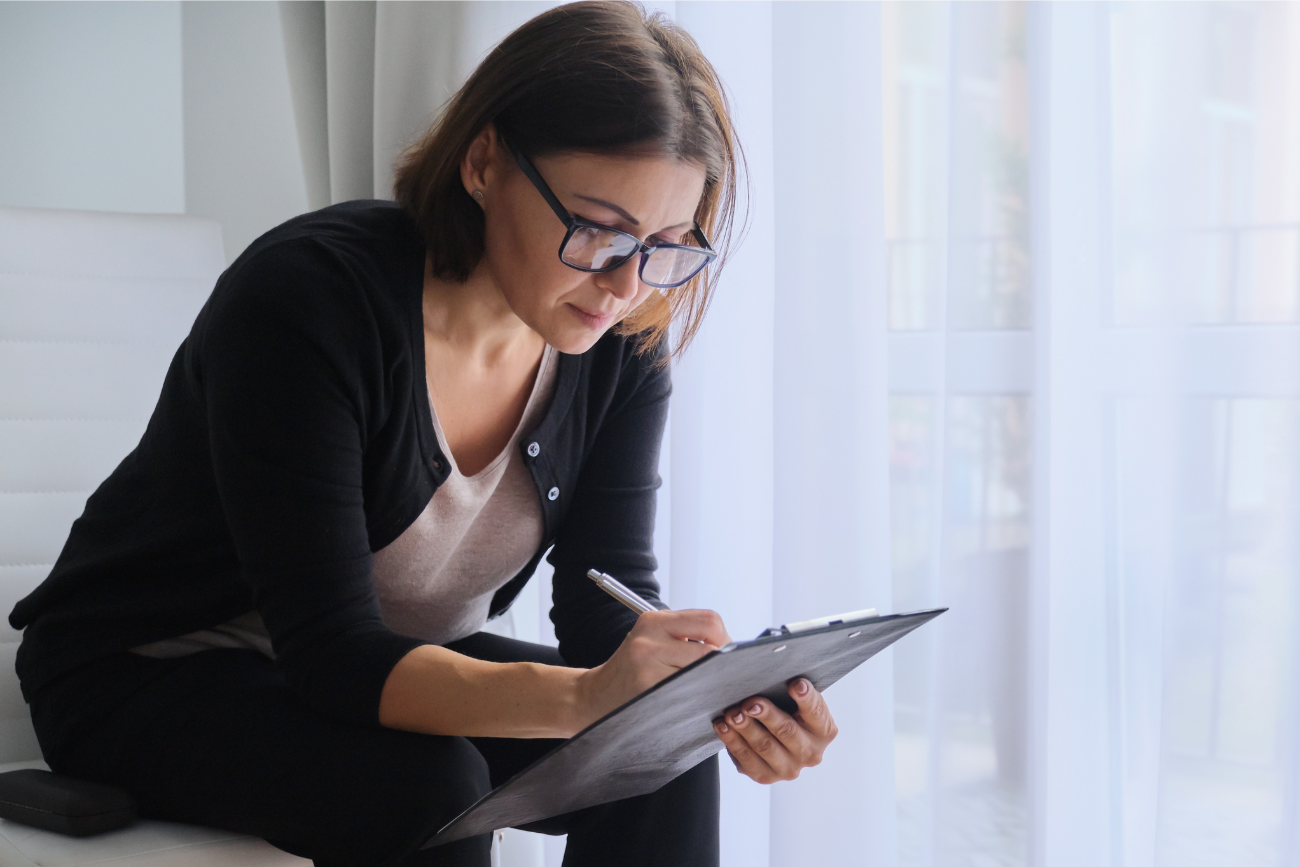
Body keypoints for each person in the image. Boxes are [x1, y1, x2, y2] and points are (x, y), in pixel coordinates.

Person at [8, 3, 839, 865]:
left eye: (668, 244)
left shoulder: (619, 338)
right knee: (430, 782)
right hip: (143, 672)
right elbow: (333, 656)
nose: (629, 283)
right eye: (596, 228)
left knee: (657, 757)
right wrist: (585, 698)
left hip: (375, 660)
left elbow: (605, 599)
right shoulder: (309, 299)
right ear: (484, 162)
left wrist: (703, 698)